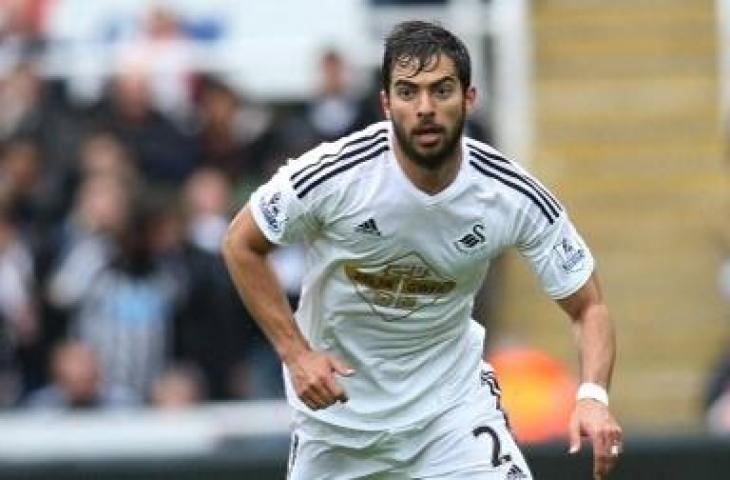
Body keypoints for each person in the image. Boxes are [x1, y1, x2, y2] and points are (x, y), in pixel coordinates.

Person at [223, 20, 622, 479]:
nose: (426, 108)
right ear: (386, 103)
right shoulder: (334, 175)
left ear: (469, 98)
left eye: (442, 90)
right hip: (337, 429)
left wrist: (593, 396)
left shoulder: (510, 195)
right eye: (408, 92)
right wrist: (296, 354)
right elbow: (241, 243)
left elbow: (588, 306)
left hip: (450, 418)